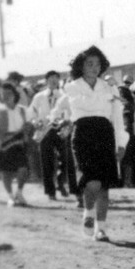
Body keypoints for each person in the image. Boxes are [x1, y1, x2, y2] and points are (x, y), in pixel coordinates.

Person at [53, 46, 128, 241]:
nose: (95, 68)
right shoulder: (71, 87)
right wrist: (106, 96)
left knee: (104, 185)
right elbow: (79, 106)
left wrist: (121, 143)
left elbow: (117, 116)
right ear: (81, 66)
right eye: (90, 63)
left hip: (105, 134)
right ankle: (88, 211)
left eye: (98, 64)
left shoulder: (109, 87)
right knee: (91, 181)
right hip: (83, 134)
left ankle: (100, 228)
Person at [28, 70, 72, 201]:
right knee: (46, 161)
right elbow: (32, 113)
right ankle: (50, 191)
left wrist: (67, 124)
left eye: (56, 79)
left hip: (60, 128)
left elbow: (69, 111)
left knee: (65, 159)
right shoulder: (39, 96)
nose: (54, 81)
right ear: (46, 81)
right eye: (51, 79)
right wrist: (35, 122)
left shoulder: (64, 95)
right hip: (45, 130)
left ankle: (60, 181)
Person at [0, 82, 31, 207]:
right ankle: (11, 197)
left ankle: (19, 192)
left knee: (23, 169)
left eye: (9, 93)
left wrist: (27, 133)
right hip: (4, 144)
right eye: (3, 94)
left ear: (14, 95)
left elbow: (28, 125)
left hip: (19, 144)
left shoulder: (23, 110)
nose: (6, 96)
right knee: (6, 172)